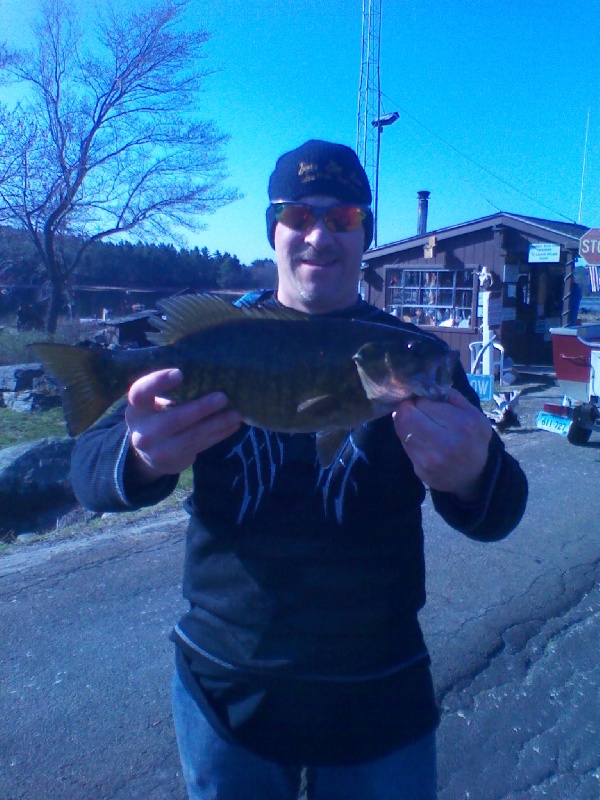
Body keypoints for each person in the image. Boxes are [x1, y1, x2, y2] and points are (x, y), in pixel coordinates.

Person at [71, 140, 528, 800]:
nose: (319, 235)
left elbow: (504, 508)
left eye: (342, 219)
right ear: (273, 229)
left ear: (366, 235)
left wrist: (474, 473)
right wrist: (140, 456)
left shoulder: (418, 360)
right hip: (228, 687)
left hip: (380, 693)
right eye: (298, 216)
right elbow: (88, 470)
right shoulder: (219, 337)